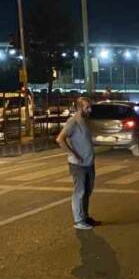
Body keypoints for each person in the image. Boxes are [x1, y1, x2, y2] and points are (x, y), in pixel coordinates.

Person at [56, 97, 100, 230]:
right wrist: (73, 154)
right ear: (80, 108)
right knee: (79, 192)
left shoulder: (85, 121)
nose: (90, 109)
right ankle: (78, 220)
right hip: (78, 165)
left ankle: (85, 216)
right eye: (87, 107)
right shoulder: (73, 122)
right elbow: (60, 139)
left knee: (87, 191)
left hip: (88, 163)